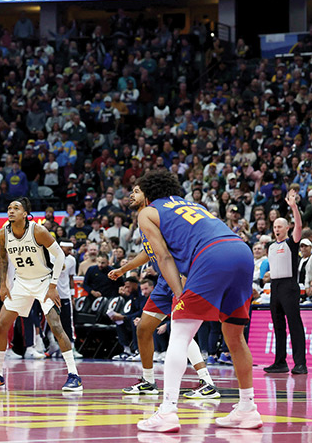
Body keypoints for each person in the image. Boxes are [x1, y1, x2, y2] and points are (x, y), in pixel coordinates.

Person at [134, 170, 261, 432]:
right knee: (235, 336)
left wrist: (179, 292)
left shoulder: (147, 212)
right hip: (240, 251)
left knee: (180, 333)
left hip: (211, 255)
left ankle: (167, 411)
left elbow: (164, 257)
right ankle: (248, 408)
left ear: (147, 194)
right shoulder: (193, 205)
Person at [110, 184, 219, 399]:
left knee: (181, 332)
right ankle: (149, 381)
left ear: (148, 194)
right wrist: (124, 269)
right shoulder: (145, 218)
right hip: (163, 282)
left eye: (137, 191)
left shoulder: (159, 215)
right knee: (143, 328)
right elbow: (148, 252)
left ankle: (207, 382)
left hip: (180, 277)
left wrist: (181, 285)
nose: (131, 194)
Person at [0, 198, 82, 392]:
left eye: (16, 208)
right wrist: (3, 284)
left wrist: (53, 286)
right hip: (21, 282)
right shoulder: (3, 234)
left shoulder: (38, 231)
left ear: (25, 214)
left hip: (43, 281)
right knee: (1, 325)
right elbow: (2, 258)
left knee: (56, 325)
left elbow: (60, 256)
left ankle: (74, 375)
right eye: (9, 208)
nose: (11, 211)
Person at [264, 189, 307, 374]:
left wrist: (294, 207)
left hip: (289, 286)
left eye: (280, 226)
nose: (276, 229)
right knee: (278, 325)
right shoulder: (271, 246)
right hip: (275, 287)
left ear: (287, 228)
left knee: (294, 324)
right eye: (275, 226)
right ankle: (280, 362)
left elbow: (299, 225)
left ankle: (300, 363)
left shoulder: (292, 242)